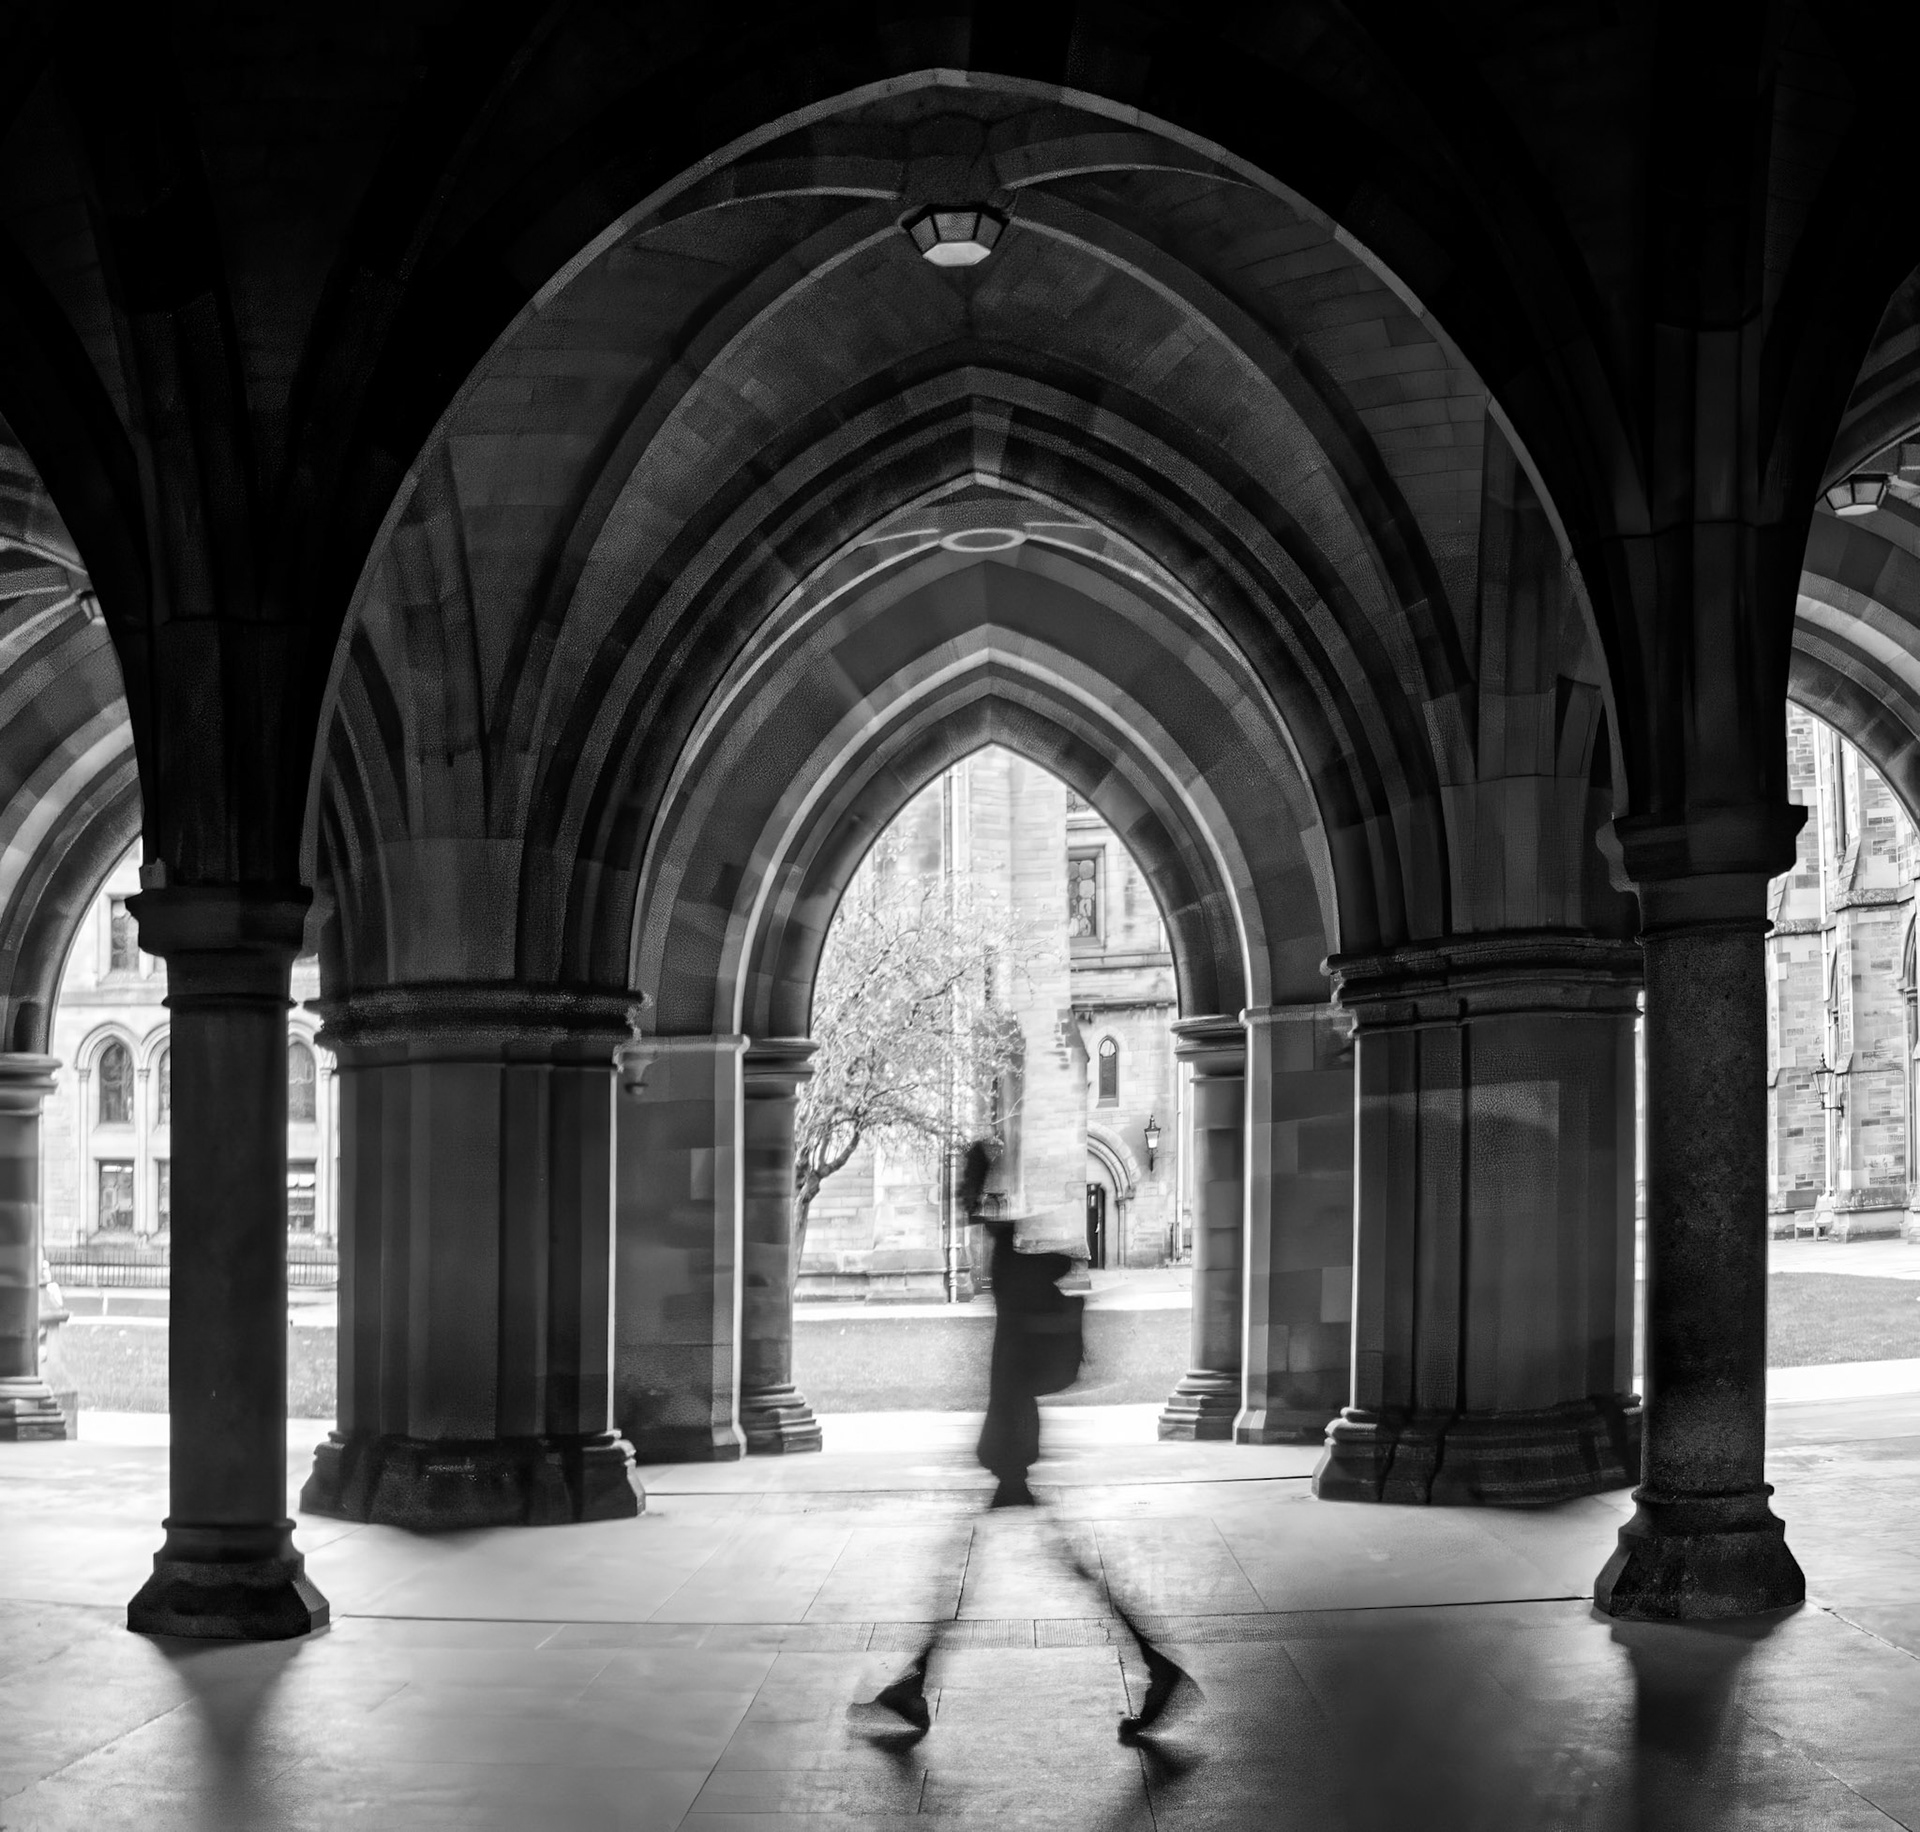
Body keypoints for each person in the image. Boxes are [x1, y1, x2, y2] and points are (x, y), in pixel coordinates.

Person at [853, 1214, 1195, 1743]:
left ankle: (1157, 1665)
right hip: (1015, 1443)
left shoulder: (1012, 1281)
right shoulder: (1021, 1284)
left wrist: (980, 1195)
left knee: (979, 1573)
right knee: (1016, 1568)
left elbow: (994, 1234)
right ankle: (916, 1683)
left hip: (1011, 1445)